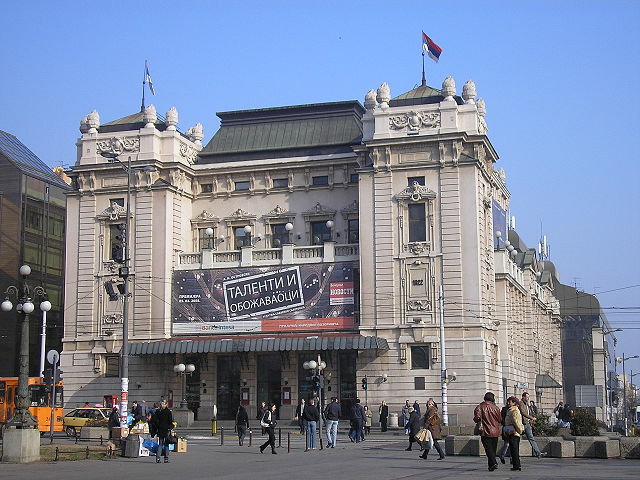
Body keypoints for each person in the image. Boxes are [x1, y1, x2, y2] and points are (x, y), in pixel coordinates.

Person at [473, 392, 502, 471]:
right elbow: (500, 419)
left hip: (485, 431)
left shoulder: (480, 407)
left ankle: (494, 462)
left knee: (488, 449)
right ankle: (491, 465)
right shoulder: (496, 408)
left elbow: (476, 418)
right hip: (495, 431)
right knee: (493, 449)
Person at [519, 392, 545, 457]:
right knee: (517, 440)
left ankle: (538, 453)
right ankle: (512, 456)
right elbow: (523, 413)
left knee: (531, 438)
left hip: (527, 424)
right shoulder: (521, 403)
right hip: (522, 424)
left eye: (528, 397)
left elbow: (529, 412)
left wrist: (530, 420)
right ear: (523, 397)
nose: (528, 398)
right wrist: (532, 418)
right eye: (527, 397)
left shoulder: (527, 404)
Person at [503, 396, 524, 471]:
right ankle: (516, 465)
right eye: (508, 401)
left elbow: (516, 422)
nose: (508, 403)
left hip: (514, 432)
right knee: (513, 450)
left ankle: (517, 466)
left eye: (510, 402)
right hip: (510, 431)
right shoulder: (510, 410)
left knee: (514, 450)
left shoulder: (514, 411)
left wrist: (520, 430)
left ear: (514, 403)